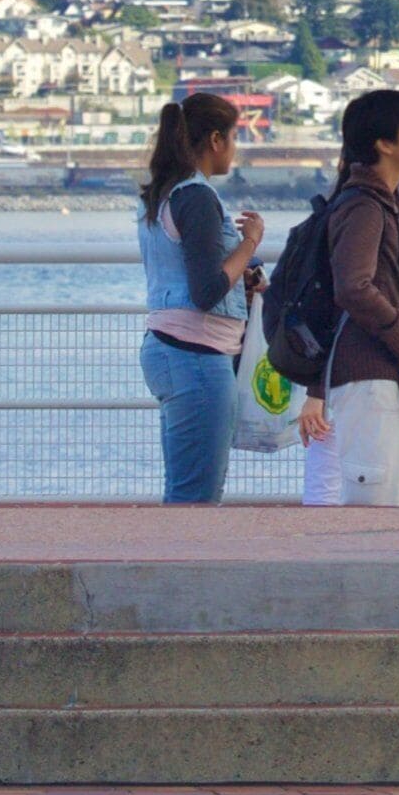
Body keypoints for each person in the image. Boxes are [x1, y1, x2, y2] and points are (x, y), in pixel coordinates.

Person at [135, 92, 264, 504]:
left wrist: (240, 279)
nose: (234, 149)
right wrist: (249, 244)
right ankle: (179, 565)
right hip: (196, 356)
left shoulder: (166, 193)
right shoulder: (197, 197)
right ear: (214, 140)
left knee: (184, 487)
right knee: (197, 496)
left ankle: (171, 560)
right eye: (233, 136)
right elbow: (206, 290)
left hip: (172, 349)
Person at [322, 88, 399, 506]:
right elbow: (353, 287)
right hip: (366, 370)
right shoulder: (362, 207)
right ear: (384, 143)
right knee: (373, 503)